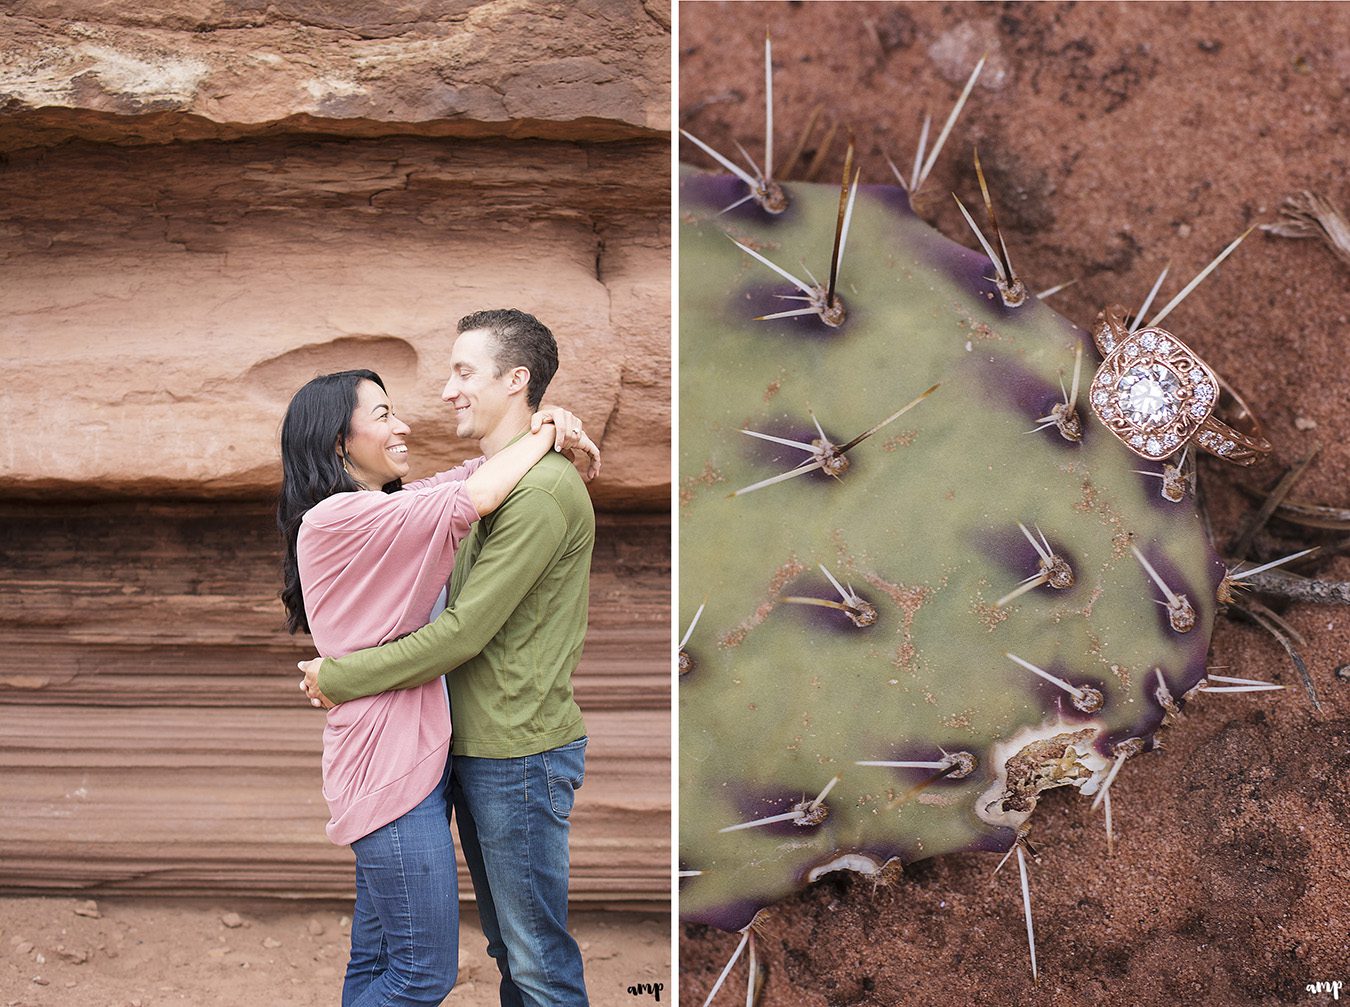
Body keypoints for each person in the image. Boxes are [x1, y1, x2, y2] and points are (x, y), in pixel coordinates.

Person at [301, 309, 597, 1007]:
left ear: (514, 379)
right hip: (464, 748)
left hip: (516, 751)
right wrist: (547, 424)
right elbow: (467, 488)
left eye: (463, 371)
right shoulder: (453, 497)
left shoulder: (541, 492)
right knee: (505, 948)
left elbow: (463, 632)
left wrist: (338, 675)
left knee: (530, 955)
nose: (446, 391)